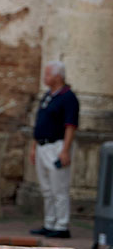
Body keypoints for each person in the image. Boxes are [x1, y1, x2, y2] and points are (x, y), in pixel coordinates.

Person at [30, 60, 78, 238]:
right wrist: (34, 147)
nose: (45, 78)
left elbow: (70, 125)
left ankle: (62, 225)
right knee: (47, 189)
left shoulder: (68, 97)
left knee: (59, 188)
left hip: (57, 146)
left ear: (58, 76)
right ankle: (50, 222)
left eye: (48, 74)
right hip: (42, 145)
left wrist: (65, 150)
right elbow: (40, 123)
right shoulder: (48, 96)